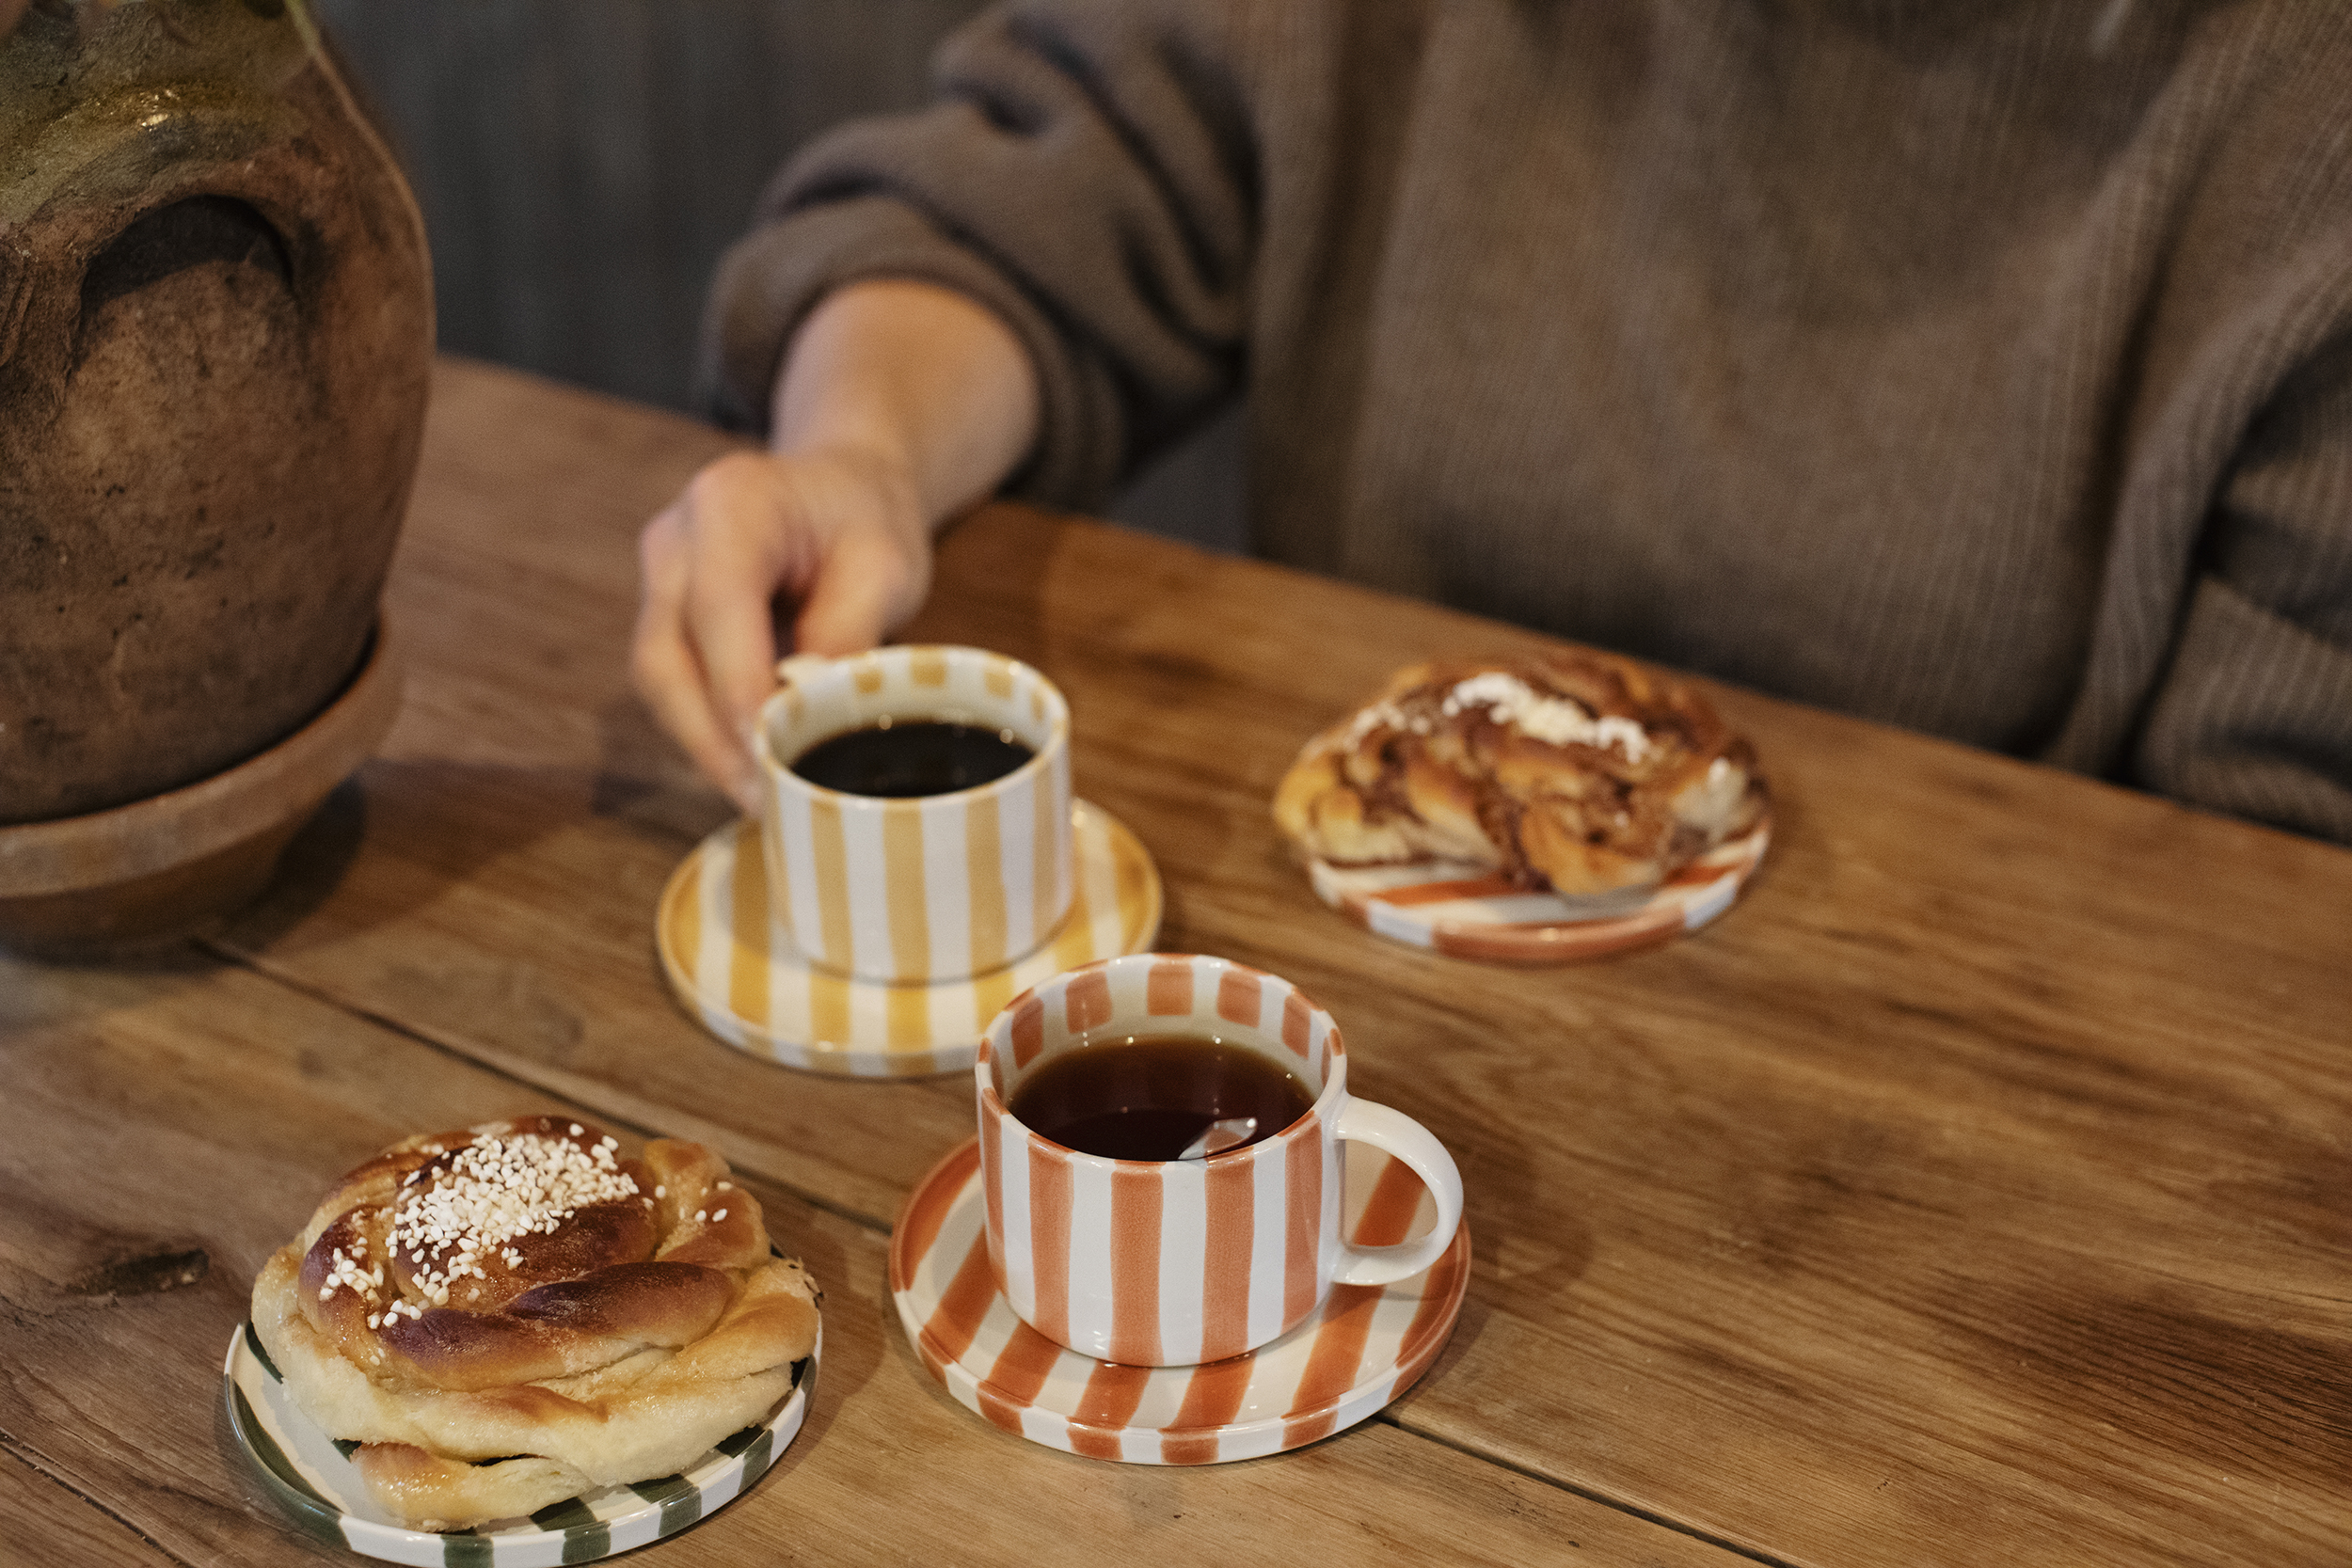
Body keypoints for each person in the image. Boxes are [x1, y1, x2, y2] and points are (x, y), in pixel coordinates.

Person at [633, 0, 2352, 844]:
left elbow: (2253, 918)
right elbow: (1028, 204)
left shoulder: (2295, 110)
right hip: (1344, 1025)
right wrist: (858, 452)